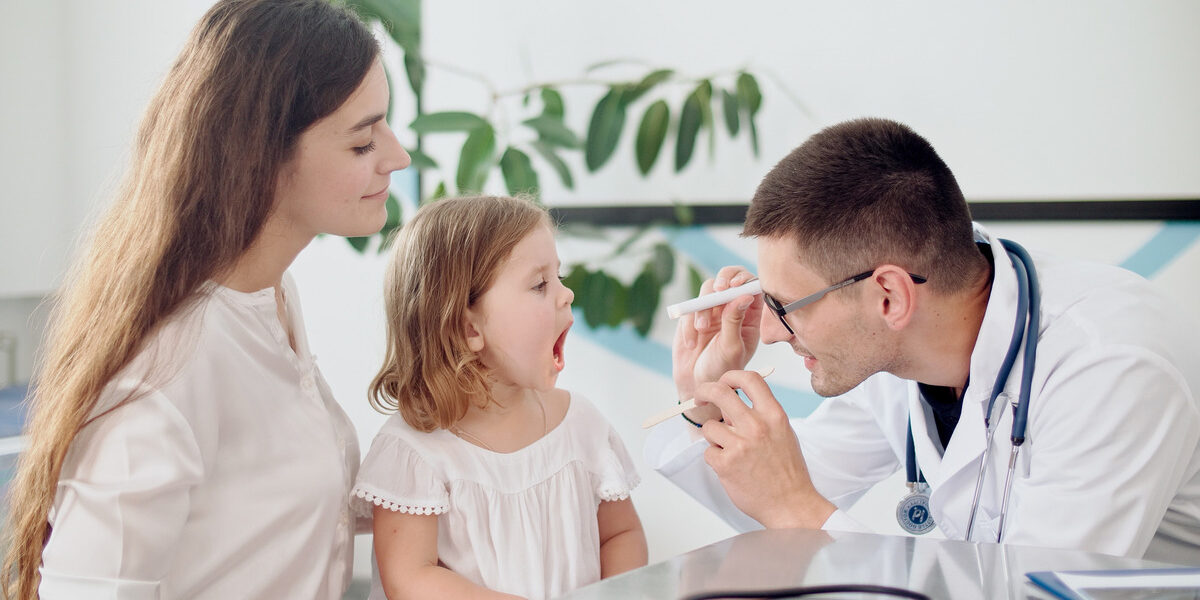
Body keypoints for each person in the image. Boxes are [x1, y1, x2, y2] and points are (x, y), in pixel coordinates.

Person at [646, 117, 1200, 565]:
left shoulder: (1111, 363)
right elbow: (772, 497)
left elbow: (1044, 592)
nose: (766, 332)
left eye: (784, 306)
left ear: (889, 295)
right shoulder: (898, 349)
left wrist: (796, 507)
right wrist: (705, 403)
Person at [1, 1, 411, 598]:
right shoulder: (167, 369)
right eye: (361, 142)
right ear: (262, 155)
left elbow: (270, 513)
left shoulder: (271, 297)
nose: (397, 156)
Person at [353, 195, 648, 600]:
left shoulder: (582, 426)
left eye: (558, 277)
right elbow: (409, 579)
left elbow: (621, 533)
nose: (567, 295)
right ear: (468, 327)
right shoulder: (414, 453)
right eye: (540, 284)